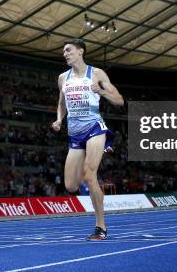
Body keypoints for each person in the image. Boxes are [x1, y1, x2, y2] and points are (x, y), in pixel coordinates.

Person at [52, 39, 124, 240]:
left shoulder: (97, 73)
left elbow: (119, 100)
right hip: (74, 133)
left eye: (68, 50)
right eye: (63, 51)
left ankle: (100, 226)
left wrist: (101, 91)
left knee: (89, 175)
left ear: (80, 51)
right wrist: (59, 119)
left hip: (94, 127)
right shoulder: (62, 78)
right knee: (70, 186)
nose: (65, 54)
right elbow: (61, 103)